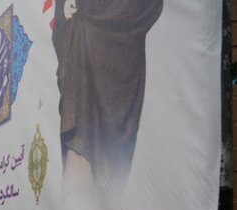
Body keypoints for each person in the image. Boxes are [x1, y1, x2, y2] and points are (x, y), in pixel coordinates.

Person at [52, 0, 163, 191]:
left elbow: (146, 7)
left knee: (103, 177)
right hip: (81, 57)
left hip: (113, 66)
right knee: (79, 158)